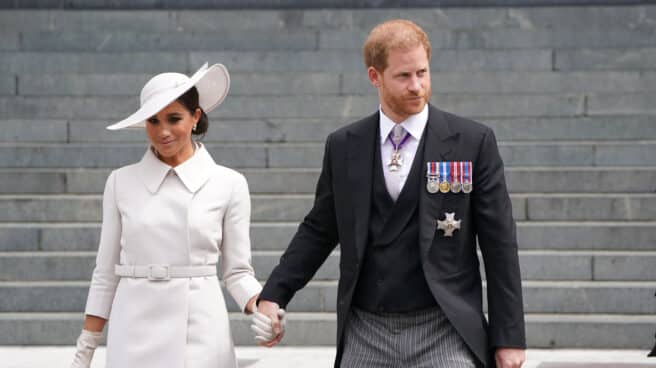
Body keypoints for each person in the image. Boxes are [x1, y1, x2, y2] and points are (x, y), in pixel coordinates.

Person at [255, 20, 526, 368]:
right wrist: (275, 294)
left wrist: (509, 338)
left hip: (445, 328)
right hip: (366, 330)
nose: (417, 86)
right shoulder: (343, 146)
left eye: (423, 72)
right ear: (374, 76)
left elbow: (500, 242)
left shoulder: (472, 141)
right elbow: (320, 229)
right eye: (403, 76)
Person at [70, 63, 270, 368]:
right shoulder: (120, 182)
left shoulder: (229, 183)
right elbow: (105, 272)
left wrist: (264, 308)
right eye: (153, 121)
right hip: (133, 327)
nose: (162, 131)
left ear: (196, 117)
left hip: (201, 329)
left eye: (174, 118)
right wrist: (85, 348)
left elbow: (238, 272)